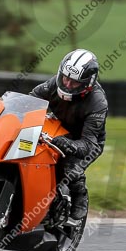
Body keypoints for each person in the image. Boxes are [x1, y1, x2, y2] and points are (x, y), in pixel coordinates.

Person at [29, 49, 108, 221]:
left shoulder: (97, 103)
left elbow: (88, 144)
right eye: (65, 78)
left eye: (74, 82)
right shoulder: (52, 85)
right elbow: (29, 101)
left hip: (86, 141)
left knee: (69, 167)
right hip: (56, 129)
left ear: (88, 82)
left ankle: (80, 196)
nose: (67, 85)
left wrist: (69, 144)